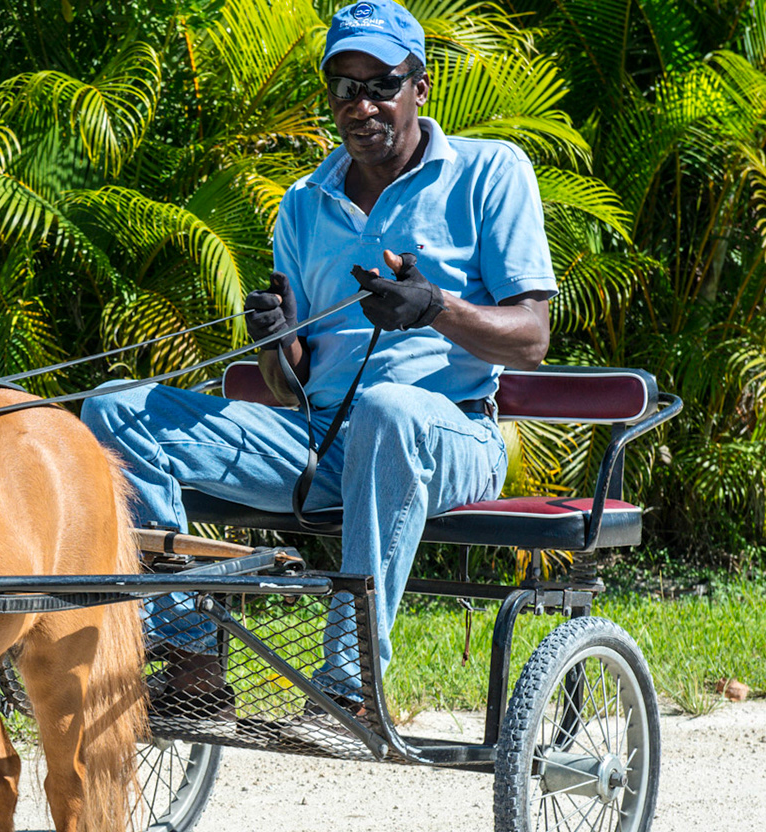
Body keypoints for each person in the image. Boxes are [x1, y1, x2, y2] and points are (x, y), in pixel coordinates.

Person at [81, 0, 555, 714]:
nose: (361, 104)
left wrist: (436, 307)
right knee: (114, 410)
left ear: (419, 88)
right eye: (344, 85)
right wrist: (277, 340)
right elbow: (286, 383)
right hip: (319, 437)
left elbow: (533, 338)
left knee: (390, 409)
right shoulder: (305, 202)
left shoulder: (489, 172)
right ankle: (190, 660)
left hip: (451, 434)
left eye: (380, 84)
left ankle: (347, 686)